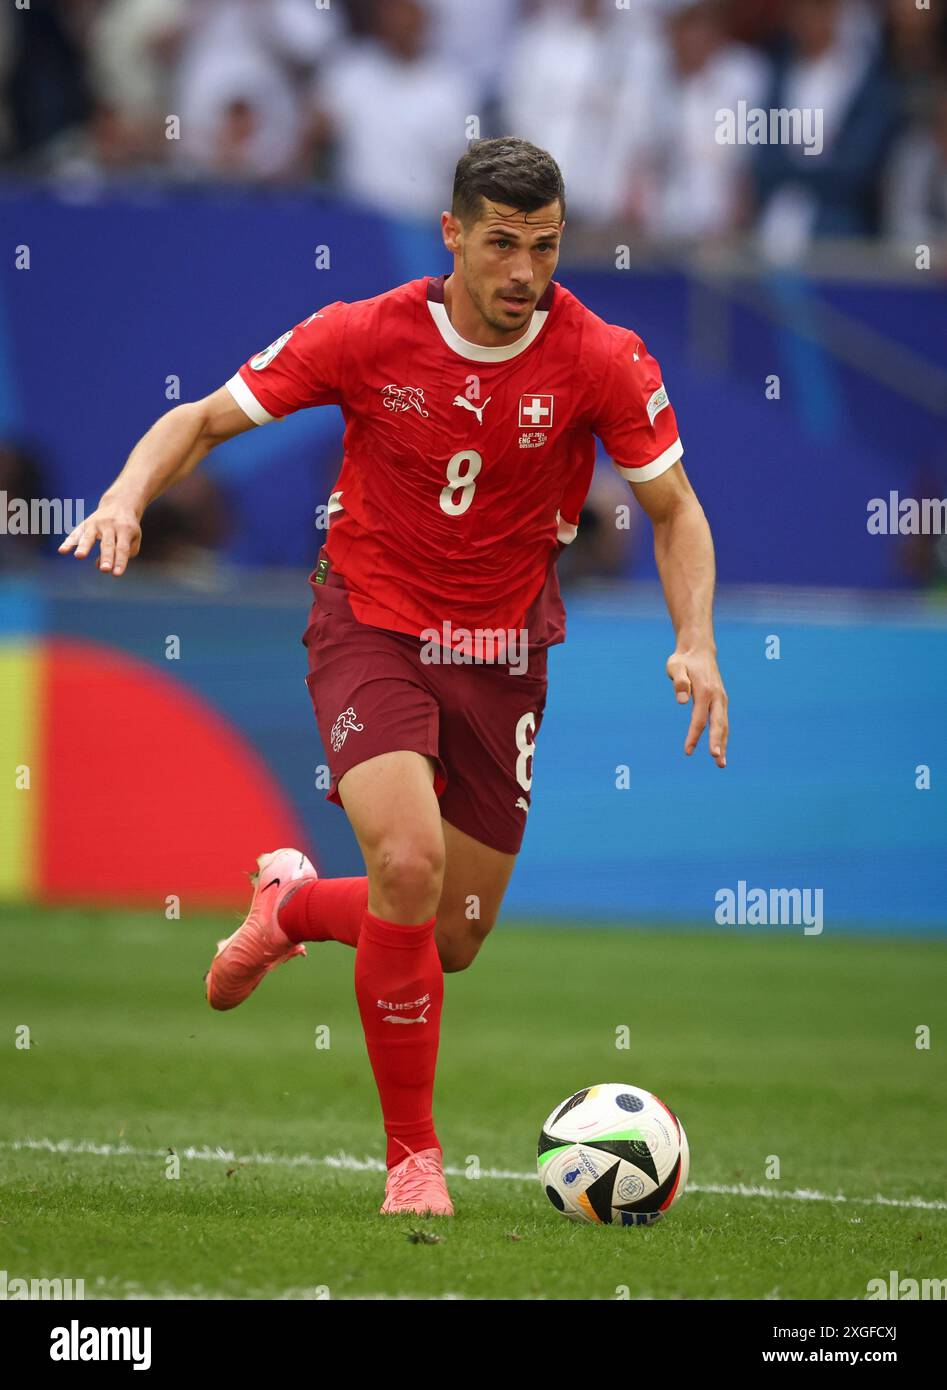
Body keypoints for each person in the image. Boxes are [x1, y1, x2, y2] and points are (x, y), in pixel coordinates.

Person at [59, 137, 728, 1217]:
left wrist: (693, 637)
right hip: (369, 625)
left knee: (450, 935)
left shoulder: (602, 357)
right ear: (453, 234)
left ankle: (287, 906)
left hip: (503, 656)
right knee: (407, 863)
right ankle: (412, 1163)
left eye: (544, 247)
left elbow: (674, 509)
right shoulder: (362, 334)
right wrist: (129, 493)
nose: (523, 272)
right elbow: (202, 419)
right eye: (501, 243)